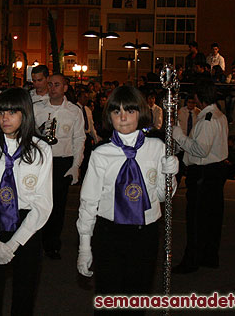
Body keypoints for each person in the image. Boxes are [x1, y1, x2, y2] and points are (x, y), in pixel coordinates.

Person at [76, 86, 178, 309]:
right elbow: (89, 202)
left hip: (146, 233)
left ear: (140, 113)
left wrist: (171, 175)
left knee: (137, 299)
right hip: (109, 232)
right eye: (116, 111)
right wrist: (85, 246)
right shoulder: (101, 153)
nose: (123, 117)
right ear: (108, 116)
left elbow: (162, 195)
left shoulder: (157, 148)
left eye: (129, 111)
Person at [0, 87, 53, 315]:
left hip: (27, 226)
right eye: (0, 113)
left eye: (12, 112)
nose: (5, 118)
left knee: (24, 295)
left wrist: (16, 242)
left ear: (25, 114)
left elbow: (43, 204)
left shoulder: (41, 150)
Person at [172, 79, 228, 274]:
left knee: (196, 218)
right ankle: (209, 255)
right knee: (212, 217)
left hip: (204, 173)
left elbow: (199, 150)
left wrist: (178, 135)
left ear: (199, 97)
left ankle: (192, 260)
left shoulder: (207, 119)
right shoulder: (218, 115)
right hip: (216, 171)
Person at [33, 73, 85, 259]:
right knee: (36, 202)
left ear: (65, 88)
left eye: (57, 84)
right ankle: (34, 241)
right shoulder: (37, 108)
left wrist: (76, 165)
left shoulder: (74, 111)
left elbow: (79, 139)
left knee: (57, 205)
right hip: (40, 161)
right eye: (50, 84)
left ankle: (52, 244)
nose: (53, 87)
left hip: (61, 161)